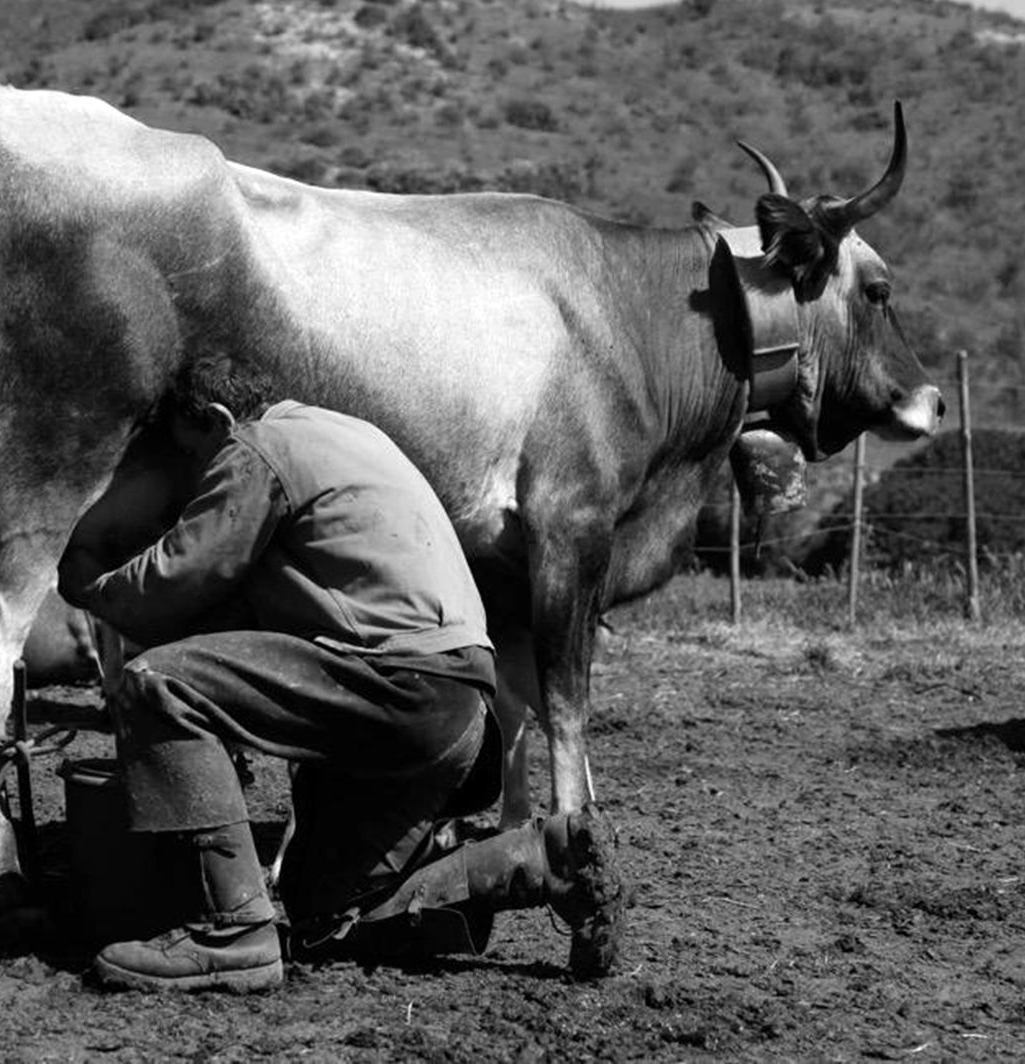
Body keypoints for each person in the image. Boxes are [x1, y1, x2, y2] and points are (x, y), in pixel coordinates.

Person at [57, 355, 622, 993]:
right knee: (324, 915)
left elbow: (184, 574)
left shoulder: (257, 448)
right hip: (456, 709)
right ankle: (544, 859)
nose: (194, 483)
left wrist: (92, 586)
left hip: (395, 682)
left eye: (192, 460)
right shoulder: (349, 434)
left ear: (216, 421)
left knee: (158, 683)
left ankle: (233, 930)